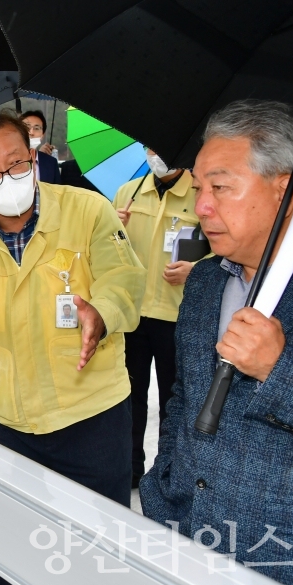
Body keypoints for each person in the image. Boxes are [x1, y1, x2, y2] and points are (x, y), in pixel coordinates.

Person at [0, 113, 145, 585]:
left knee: (95, 558)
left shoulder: (87, 210)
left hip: (91, 415)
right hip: (10, 422)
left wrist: (103, 311)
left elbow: (125, 280)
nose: (7, 179)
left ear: (34, 155)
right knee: (16, 556)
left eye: (16, 163)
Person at [140, 100, 293, 585]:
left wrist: (280, 369)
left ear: (284, 189)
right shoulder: (206, 279)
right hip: (189, 539)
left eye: (220, 187)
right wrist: (163, 489)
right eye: (199, 188)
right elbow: (183, 397)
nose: (202, 206)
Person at [112, 149, 197, 488]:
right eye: (150, 147)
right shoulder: (127, 192)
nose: (158, 154)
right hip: (131, 313)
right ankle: (130, 467)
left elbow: (224, 250)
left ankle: (170, 472)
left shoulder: (201, 193)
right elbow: (105, 251)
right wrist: (112, 229)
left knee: (174, 400)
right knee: (128, 395)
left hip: (176, 314)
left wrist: (197, 269)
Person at [20, 110, 61, 184]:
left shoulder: (51, 163)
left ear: (42, 135)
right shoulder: (8, 161)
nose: (31, 132)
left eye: (36, 128)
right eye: (26, 127)